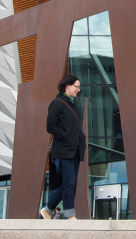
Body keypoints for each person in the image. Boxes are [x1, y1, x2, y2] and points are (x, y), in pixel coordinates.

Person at [41, 74, 86, 220]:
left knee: (69, 182)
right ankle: (70, 215)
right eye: (76, 86)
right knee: (69, 182)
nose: (78, 90)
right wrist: (65, 136)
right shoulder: (57, 103)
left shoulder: (73, 104)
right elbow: (50, 126)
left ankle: (47, 210)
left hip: (75, 150)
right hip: (63, 150)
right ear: (67, 86)